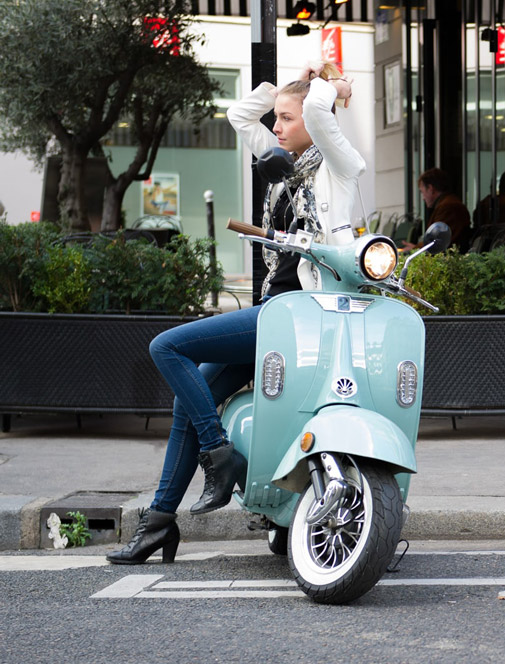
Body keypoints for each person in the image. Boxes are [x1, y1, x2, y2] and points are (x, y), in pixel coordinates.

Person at [106, 61, 362, 565]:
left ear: (316, 122)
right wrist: (284, 84)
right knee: (189, 395)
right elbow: (240, 114)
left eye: (285, 118)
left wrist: (333, 85)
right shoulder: (283, 162)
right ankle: (160, 521)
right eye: (278, 118)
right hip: (275, 310)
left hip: (303, 313)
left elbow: (314, 104)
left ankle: (219, 454)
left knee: (168, 346)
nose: (275, 127)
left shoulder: (340, 164)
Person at [412, 167, 470, 250]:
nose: (423, 198)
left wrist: (414, 249)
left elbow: (436, 241)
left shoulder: (448, 207)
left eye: (422, 192)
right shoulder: (447, 204)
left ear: (431, 188)